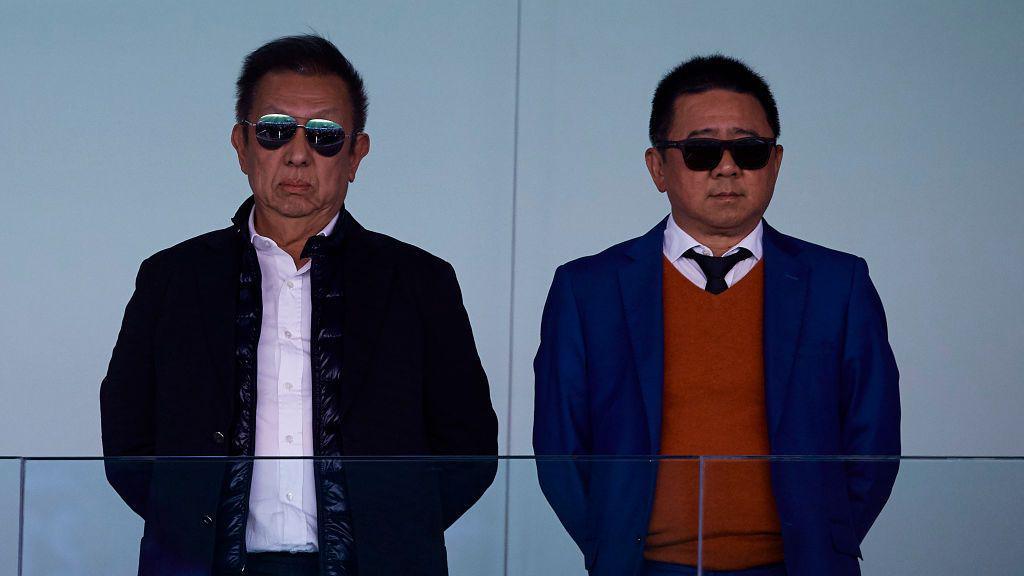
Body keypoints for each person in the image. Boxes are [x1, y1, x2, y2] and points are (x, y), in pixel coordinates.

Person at [100, 34, 498, 576]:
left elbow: (468, 446)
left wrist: (392, 529)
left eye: (325, 136)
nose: (296, 152)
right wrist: (193, 523)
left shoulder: (420, 282)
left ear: (356, 154)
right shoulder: (172, 278)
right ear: (241, 145)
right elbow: (128, 439)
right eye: (274, 130)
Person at [534, 55, 900, 576]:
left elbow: (874, 444)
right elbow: (560, 449)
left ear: (775, 162)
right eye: (702, 150)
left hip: (800, 567)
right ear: (658, 167)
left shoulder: (839, 284)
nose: (727, 167)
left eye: (749, 151)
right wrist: (609, 542)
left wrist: (826, 541)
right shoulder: (587, 289)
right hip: (642, 568)